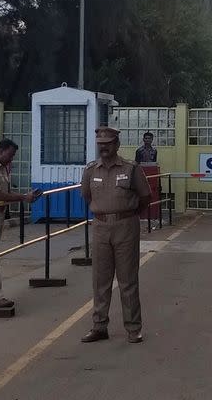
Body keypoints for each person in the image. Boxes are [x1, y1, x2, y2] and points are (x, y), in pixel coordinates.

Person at [80, 127, 151, 344]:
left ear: (117, 144)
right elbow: (86, 195)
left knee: (127, 279)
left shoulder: (131, 168)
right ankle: (99, 326)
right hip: (100, 227)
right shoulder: (91, 170)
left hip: (125, 226)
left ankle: (133, 328)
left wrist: (128, 214)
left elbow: (145, 196)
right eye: (100, 143)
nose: (104, 147)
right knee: (100, 279)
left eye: (108, 143)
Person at [0, 139, 39, 308]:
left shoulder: (2, 168)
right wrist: (24, 197)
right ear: (1, 151)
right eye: (10, 155)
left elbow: (6, 192)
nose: (11, 159)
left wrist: (25, 196)